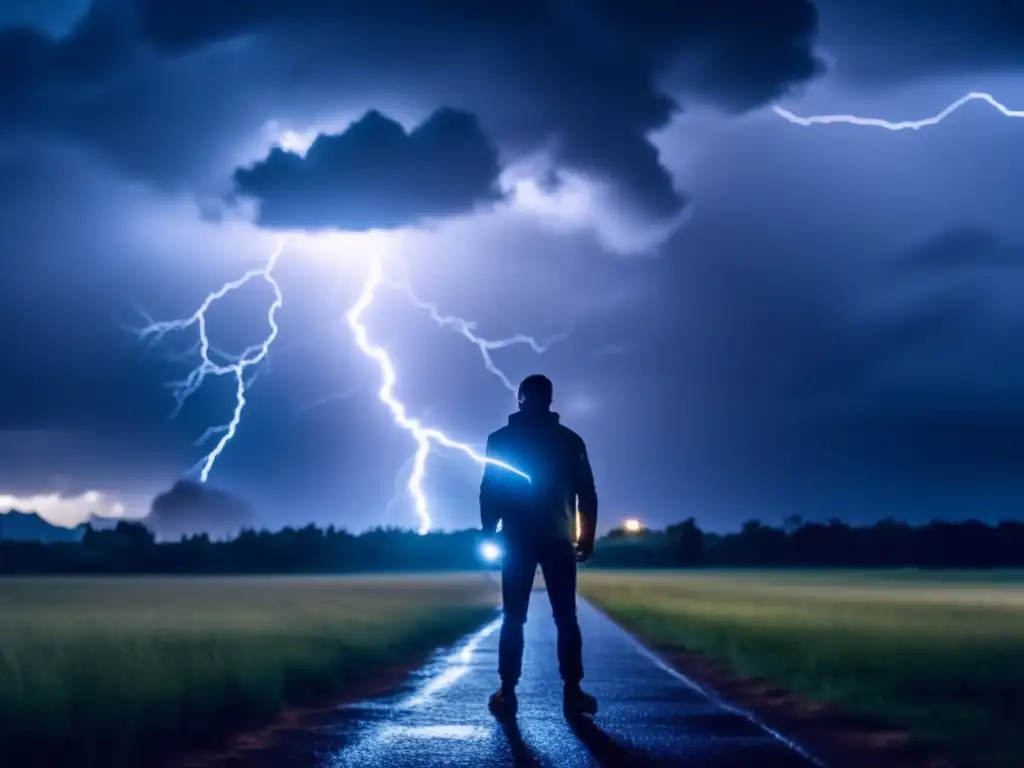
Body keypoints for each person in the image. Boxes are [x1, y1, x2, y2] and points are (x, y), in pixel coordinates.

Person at [480, 373, 599, 718]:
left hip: (516, 540)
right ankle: (572, 692)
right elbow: (586, 493)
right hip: (559, 539)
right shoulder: (570, 440)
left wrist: (489, 533)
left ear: (520, 399)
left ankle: (507, 691)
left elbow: (490, 489)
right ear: (550, 400)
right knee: (566, 617)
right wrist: (585, 537)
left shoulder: (500, 440)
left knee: (513, 617)